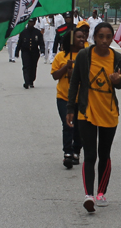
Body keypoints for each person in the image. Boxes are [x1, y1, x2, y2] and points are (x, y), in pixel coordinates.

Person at [66, 22, 121, 213]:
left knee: (104, 154)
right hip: (87, 112)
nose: (104, 41)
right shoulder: (85, 55)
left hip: (108, 112)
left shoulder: (117, 58)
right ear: (94, 37)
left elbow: (120, 86)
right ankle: (88, 195)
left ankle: (101, 192)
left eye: (108, 37)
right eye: (101, 36)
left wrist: (117, 81)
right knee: (90, 154)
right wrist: (70, 108)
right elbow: (75, 81)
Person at [51, 29, 85, 169]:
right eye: (79, 37)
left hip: (81, 98)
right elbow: (55, 76)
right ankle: (68, 153)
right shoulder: (61, 56)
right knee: (68, 125)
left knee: (79, 127)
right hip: (64, 97)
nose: (82, 39)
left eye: (83, 37)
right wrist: (67, 67)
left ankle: (77, 150)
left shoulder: (86, 55)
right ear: (71, 40)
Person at [15, 18, 45, 89]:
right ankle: (26, 82)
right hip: (25, 51)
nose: (30, 24)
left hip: (34, 52)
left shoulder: (37, 32)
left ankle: (31, 81)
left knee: (33, 67)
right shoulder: (23, 32)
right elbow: (19, 43)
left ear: (34, 23)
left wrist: (42, 50)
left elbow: (41, 42)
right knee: (26, 66)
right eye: (29, 22)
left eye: (32, 22)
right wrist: (17, 52)